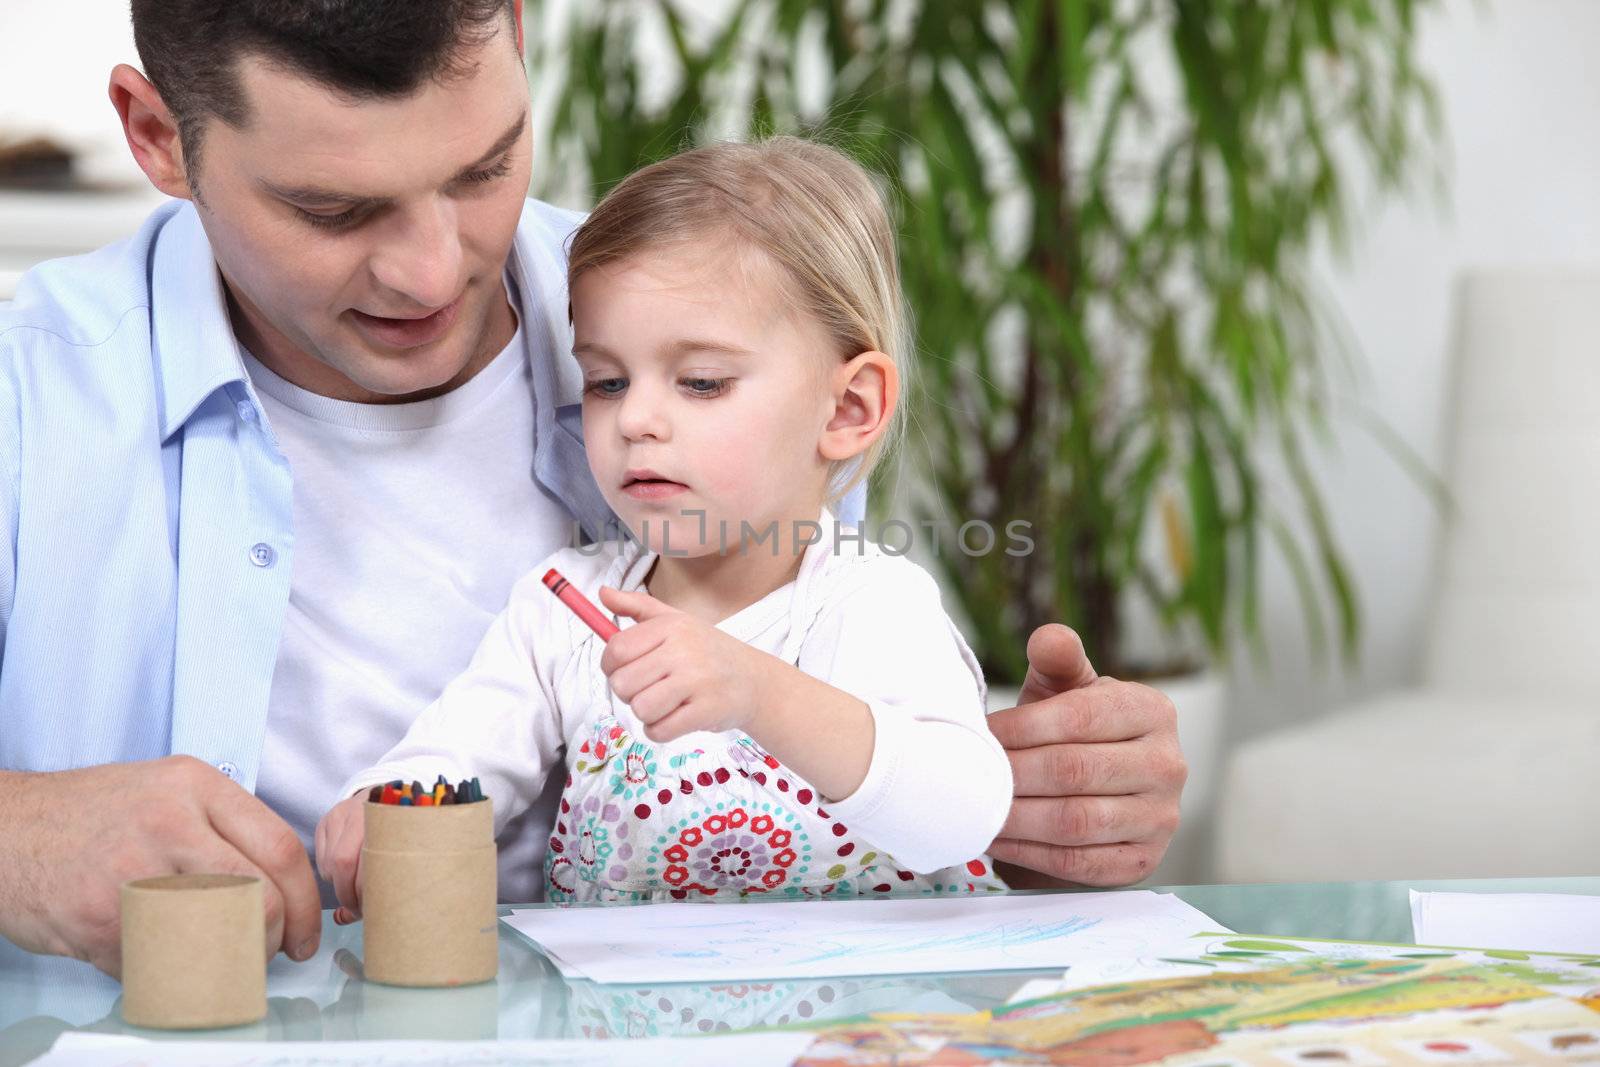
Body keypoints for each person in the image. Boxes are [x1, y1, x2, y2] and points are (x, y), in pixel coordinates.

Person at [0, 0, 1185, 982]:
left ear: (517, 32)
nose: (429, 269)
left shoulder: (711, 310)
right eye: (335, 209)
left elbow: (894, 798)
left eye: (482, 169)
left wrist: (1037, 807)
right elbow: (464, 749)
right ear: (158, 137)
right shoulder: (30, 398)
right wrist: (19, 837)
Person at [318, 138, 1013, 912]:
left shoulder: (870, 602)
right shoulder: (566, 609)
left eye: (702, 382)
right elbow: (459, 753)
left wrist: (755, 691)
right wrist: (384, 801)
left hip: (860, 1025)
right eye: (607, 381)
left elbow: (962, 814)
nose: (636, 419)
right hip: (634, 1028)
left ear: (848, 409)